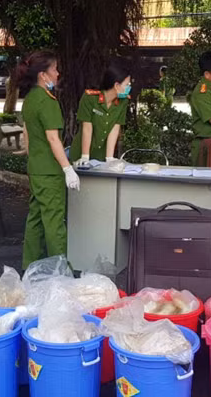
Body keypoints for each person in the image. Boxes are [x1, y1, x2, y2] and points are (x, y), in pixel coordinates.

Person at [18, 51, 79, 269]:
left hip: (35, 168)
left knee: (35, 218)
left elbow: (26, 133)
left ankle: (29, 265)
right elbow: (53, 138)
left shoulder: (30, 99)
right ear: (43, 75)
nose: (57, 73)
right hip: (49, 171)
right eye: (54, 69)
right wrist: (67, 168)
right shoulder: (47, 101)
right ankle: (61, 270)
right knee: (54, 222)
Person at [70, 63, 131, 165]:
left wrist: (109, 158)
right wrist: (85, 156)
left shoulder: (123, 101)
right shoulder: (90, 98)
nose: (129, 88)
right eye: (127, 85)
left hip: (101, 156)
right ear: (116, 85)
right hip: (81, 154)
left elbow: (115, 128)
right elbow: (87, 128)